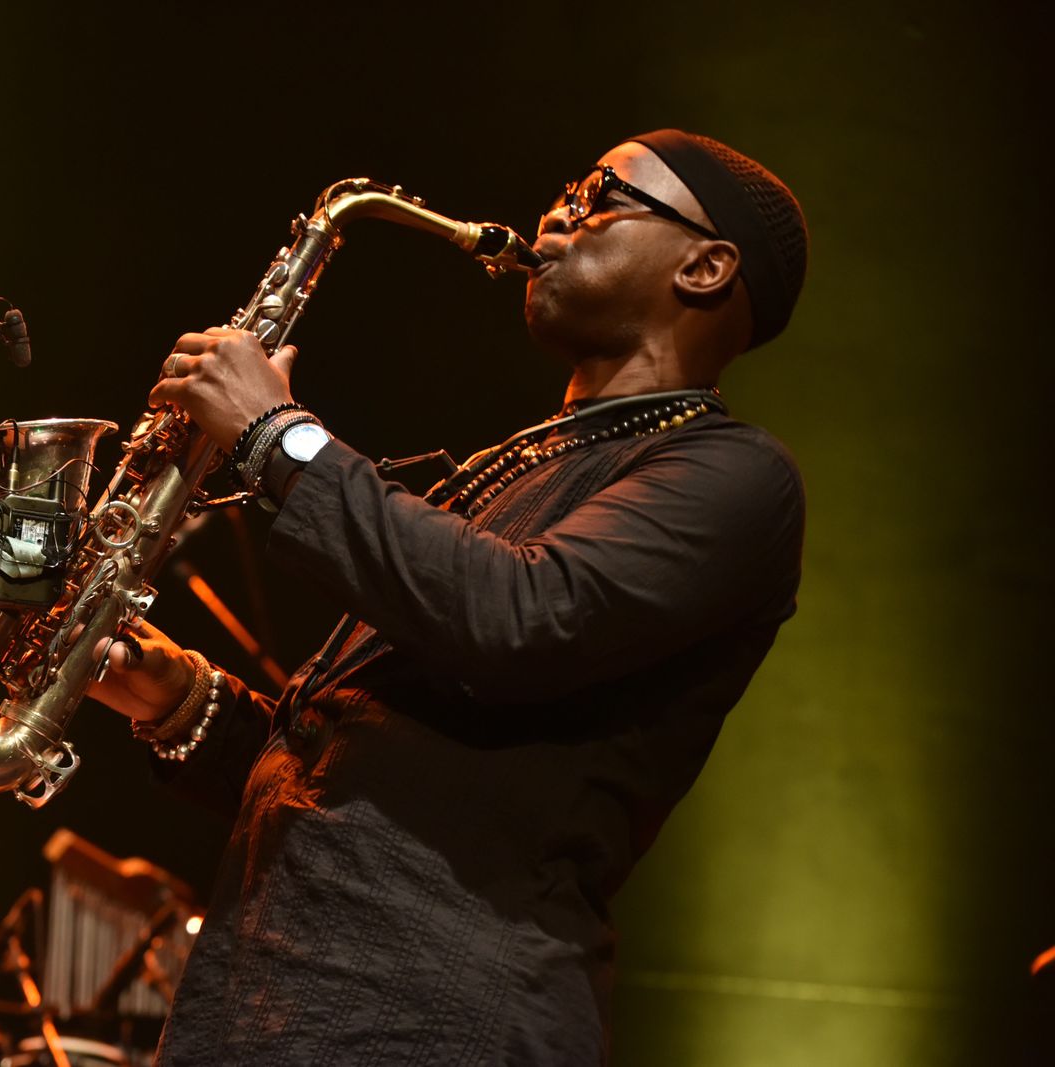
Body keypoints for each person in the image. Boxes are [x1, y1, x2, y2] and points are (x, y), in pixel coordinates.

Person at [88, 129, 808, 1064]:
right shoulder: (522, 463)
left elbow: (521, 617)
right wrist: (181, 699)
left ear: (705, 267)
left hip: (438, 1014)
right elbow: (360, 783)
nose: (557, 213)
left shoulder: (735, 475)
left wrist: (278, 438)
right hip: (271, 1007)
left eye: (599, 195)